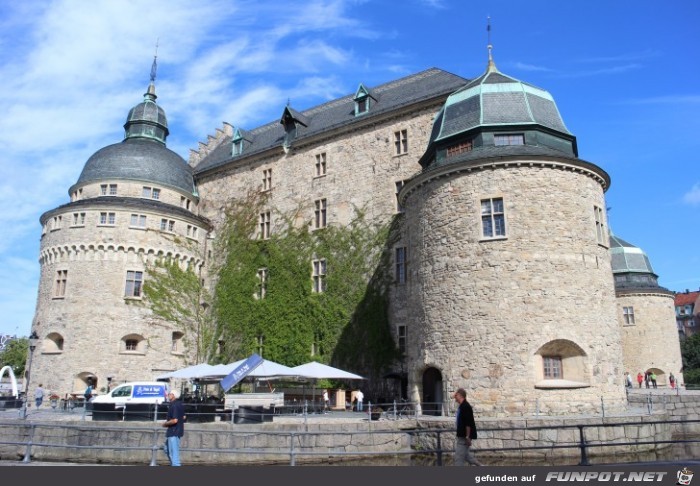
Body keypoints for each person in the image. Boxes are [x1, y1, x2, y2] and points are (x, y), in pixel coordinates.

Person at [453, 388, 482, 466]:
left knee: (458, 459)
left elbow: (468, 423)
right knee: (466, 455)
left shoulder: (465, 406)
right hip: (462, 435)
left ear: (460, 396)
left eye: (455, 395)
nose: (454, 397)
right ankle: (481, 466)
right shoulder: (462, 406)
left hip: (464, 436)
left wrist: (467, 437)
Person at [163, 390, 185, 466]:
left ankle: (176, 465)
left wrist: (165, 424)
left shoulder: (174, 405)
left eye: (170, 394)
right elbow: (184, 417)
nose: (168, 395)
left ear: (173, 395)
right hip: (177, 431)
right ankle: (174, 464)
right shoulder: (180, 404)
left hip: (173, 431)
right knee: (166, 449)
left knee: (173, 453)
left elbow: (175, 420)